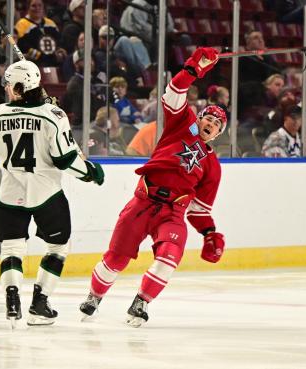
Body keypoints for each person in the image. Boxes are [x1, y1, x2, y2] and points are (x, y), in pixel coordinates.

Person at [79, 47, 227, 327]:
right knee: (116, 258)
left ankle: (141, 302)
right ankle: (94, 297)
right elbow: (174, 91)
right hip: (143, 201)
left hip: (173, 213)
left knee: (169, 258)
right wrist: (196, 67)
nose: (211, 123)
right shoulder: (182, 123)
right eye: (209, 117)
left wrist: (209, 233)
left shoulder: (213, 166)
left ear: (220, 133)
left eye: (217, 123)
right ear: (200, 118)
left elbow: (199, 210)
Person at [0, 60, 104, 326]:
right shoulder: (52, 115)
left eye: (9, 84)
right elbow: (65, 160)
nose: (6, 89)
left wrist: (46, 109)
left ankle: (12, 297)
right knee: (58, 246)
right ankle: (39, 304)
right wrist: (92, 172)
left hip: (8, 193)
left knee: (11, 248)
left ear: (18, 87)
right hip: (47, 195)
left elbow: (9, 142)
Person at [15, 0, 67, 67]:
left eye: (40, 5)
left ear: (43, 8)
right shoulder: (21, 24)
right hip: (32, 65)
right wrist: (43, 57)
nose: (37, 8)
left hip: (53, 64)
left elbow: (59, 41)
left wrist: (60, 51)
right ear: (28, 8)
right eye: (34, 6)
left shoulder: (50, 23)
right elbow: (23, 46)